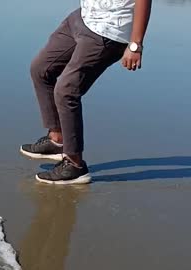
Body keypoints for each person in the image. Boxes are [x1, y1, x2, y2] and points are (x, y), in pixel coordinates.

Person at [20, 0, 152, 184]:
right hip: (83, 17)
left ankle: (75, 164)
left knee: (66, 91)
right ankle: (57, 139)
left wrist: (135, 44)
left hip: (109, 31)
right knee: (41, 69)